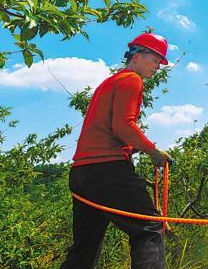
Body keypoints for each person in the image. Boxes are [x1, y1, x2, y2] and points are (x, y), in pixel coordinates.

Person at [61, 32, 173, 269]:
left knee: (85, 246)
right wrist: (152, 151)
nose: (157, 67)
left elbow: (107, 128)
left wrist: (132, 147)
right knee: (150, 228)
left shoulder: (109, 82)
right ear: (138, 55)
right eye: (155, 60)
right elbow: (123, 124)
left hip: (82, 174)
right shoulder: (131, 80)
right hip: (107, 170)